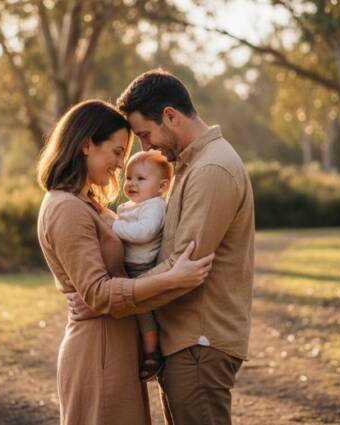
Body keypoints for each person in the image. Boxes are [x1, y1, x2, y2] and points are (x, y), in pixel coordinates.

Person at [68, 69, 256, 425]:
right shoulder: (191, 164)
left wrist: (108, 302)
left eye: (144, 134)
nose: (145, 148)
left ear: (170, 116)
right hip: (186, 341)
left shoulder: (212, 169)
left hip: (200, 342)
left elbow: (183, 269)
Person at [35, 99, 214, 425]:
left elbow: (102, 289)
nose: (121, 164)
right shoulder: (66, 208)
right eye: (117, 152)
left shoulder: (87, 203)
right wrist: (173, 279)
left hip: (113, 347)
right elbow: (97, 293)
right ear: (87, 144)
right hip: (97, 353)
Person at [102, 149, 173, 381]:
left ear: (162, 187)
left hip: (142, 268)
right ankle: (142, 348)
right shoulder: (131, 206)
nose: (132, 183)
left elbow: (144, 233)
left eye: (141, 179)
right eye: (129, 177)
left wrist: (114, 227)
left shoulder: (155, 206)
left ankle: (153, 353)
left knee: (144, 312)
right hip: (128, 266)